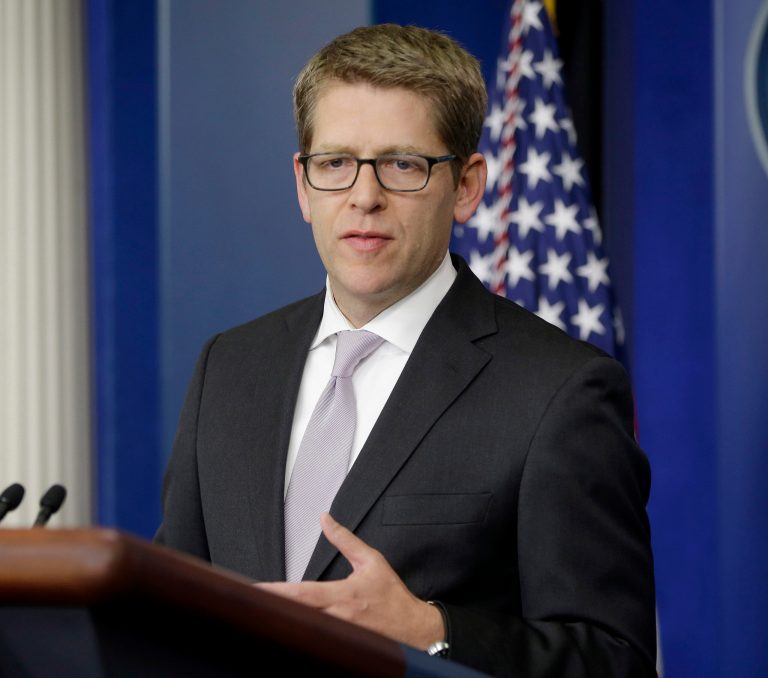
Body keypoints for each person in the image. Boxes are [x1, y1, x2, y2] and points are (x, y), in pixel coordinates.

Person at [155, 24, 656, 677]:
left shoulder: (560, 393)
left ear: (466, 186)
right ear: (303, 186)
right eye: (335, 163)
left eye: (402, 165)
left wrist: (431, 630)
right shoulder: (230, 367)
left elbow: (614, 661)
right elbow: (170, 619)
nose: (364, 197)